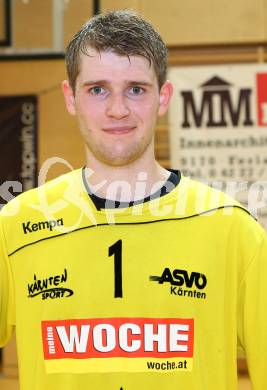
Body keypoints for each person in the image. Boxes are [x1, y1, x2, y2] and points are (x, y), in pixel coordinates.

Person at [0, 9, 266, 390]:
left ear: (163, 97)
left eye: (136, 89)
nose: (117, 109)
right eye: (98, 89)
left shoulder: (232, 230)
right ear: (70, 97)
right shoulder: (17, 226)